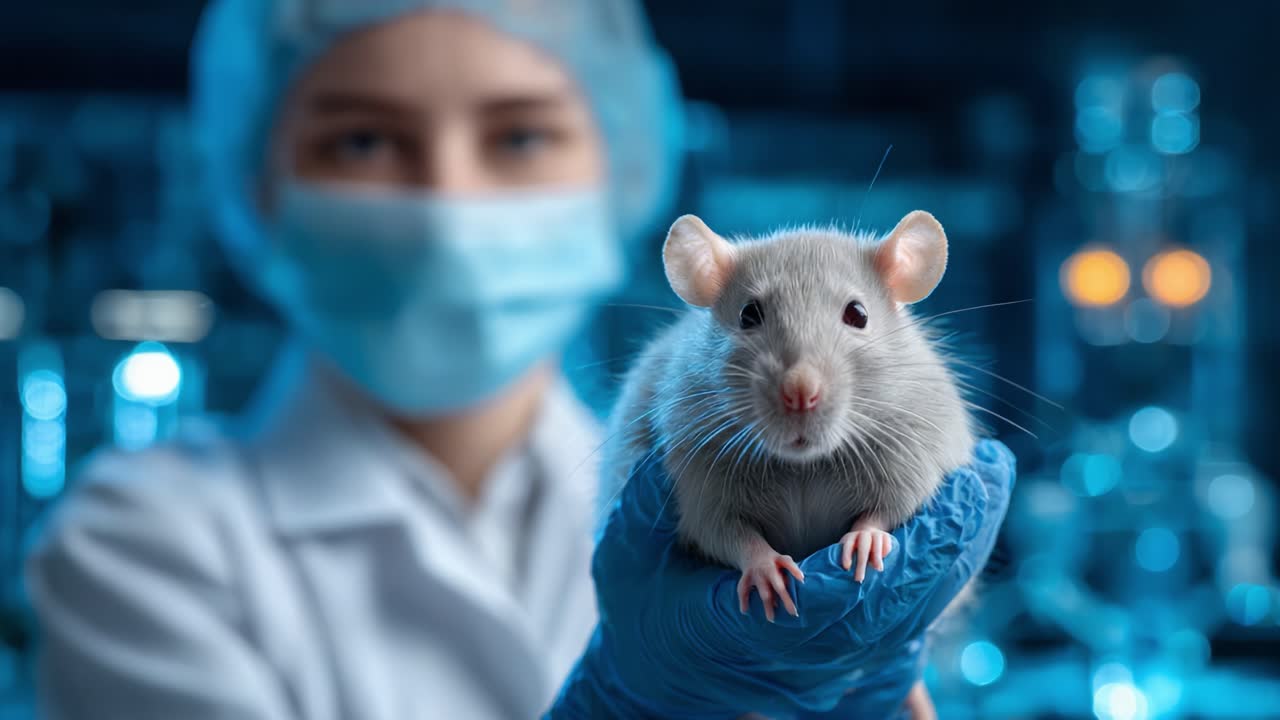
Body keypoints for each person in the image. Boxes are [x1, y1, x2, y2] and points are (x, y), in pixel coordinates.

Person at [22, 1, 1016, 718]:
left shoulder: (632, 462)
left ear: (620, 166)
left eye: (520, 135)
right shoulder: (135, 544)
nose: (448, 209)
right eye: (363, 141)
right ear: (256, 185)